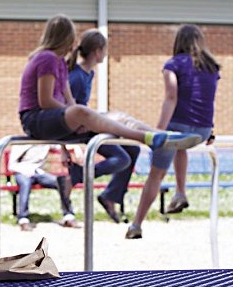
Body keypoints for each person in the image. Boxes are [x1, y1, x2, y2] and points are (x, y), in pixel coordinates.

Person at [18, 14, 202, 164]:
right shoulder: (46, 58)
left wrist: (79, 119)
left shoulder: (60, 62)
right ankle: (146, 138)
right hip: (35, 119)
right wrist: (79, 117)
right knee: (82, 112)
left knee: (119, 116)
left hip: (56, 119)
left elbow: (70, 100)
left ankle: (159, 135)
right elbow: (45, 101)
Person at [126, 24, 220, 239]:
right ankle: (180, 192)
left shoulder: (173, 64)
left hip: (178, 128)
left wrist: (158, 131)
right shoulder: (212, 67)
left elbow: (171, 97)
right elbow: (206, 98)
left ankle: (136, 225)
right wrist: (211, 127)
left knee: (156, 175)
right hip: (202, 130)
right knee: (181, 146)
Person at [64, 28, 141, 223]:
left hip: (86, 123)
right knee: (121, 159)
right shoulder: (77, 76)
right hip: (78, 127)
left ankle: (111, 196)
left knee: (132, 150)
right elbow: (66, 108)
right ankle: (77, 175)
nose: (106, 54)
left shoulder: (88, 74)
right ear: (98, 51)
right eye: (105, 50)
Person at [8, 144, 78, 230]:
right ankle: (23, 219)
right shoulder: (22, 144)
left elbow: (59, 145)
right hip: (22, 172)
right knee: (25, 185)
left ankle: (69, 217)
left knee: (62, 183)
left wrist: (75, 147)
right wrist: (25, 170)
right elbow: (11, 165)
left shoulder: (45, 142)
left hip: (38, 172)